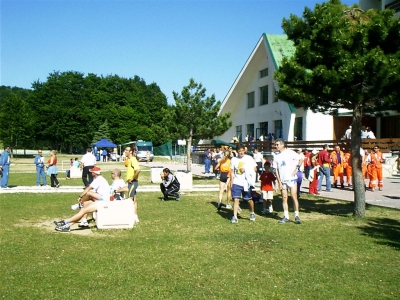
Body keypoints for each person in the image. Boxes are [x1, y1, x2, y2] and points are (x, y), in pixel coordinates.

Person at [54, 166, 110, 232]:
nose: (90, 173)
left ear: (94, 173)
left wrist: (80, 196)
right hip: (101, 200)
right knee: (83, 209)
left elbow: (88, 188)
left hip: (103, 202)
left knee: (84, 210)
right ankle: (67, 224)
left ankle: (65, 222)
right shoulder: (99, 179)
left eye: (91, 172)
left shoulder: (98, 179)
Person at [273, 139, 302, 224]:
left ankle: (297, 216)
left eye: (277, 144)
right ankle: (286, 216)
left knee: (294, 197)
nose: (276, 146)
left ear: (282, 145)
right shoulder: (276, 156)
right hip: (283, 180)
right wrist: (279, 182)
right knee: (284, 198)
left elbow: (300, 159)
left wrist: (296, 169)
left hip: (291, 179)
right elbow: (276, 170)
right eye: (275, 144)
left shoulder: (290, 152)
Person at [229, 145, 257, 223]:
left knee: (249, 200)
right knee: (236, 199)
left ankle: (252, 213)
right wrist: (231, 181)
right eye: (239, 151)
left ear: (244, 150)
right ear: (237, 151)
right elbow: (231, 171)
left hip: (246, 182)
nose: (241, 152)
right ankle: (234, 217)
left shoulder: (249, 158)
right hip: (236, 182)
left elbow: (255, 169)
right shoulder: (234, 159)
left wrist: (246, 169)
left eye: (242, 150)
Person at [124, 146, 141, 223]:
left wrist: (132, 178)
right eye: (125, 150)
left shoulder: (133, 159)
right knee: (134, 200)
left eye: (127, 150)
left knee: (130, 200)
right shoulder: (130, 159)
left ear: (131, 151)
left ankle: (127, 216)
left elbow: (138, 170)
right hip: (131, 182)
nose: (125, 151)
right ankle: (135, 216)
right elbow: (127, 165)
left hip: (133, 182)